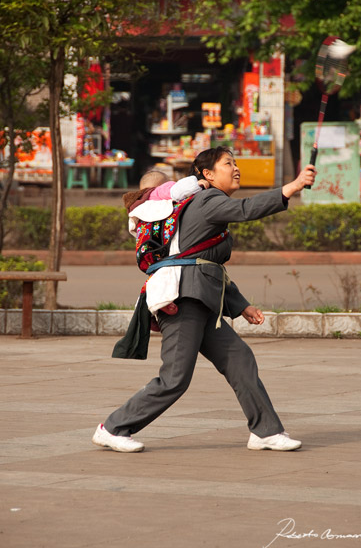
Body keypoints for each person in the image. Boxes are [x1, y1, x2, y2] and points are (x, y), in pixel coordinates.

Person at [92, 146, 316, 453]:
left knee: (240, 360)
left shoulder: (201, 204)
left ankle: (265, 431)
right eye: (228, 163)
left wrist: (241, 306)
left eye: (235, 163)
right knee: (175, 379)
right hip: (184, 300)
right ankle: (114, 427)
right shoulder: (208, 199)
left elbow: (206, 266)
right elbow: (246, 210)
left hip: (200, 300)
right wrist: (291, 187)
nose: (235, 168)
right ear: (206, 175)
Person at [124, 171, 210, 317]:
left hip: (148, 249)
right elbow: (180, 190)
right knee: (171, 271)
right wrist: (198, 184)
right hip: (165, 244)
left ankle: (148, 302)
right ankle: (163, 301)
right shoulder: (159, 191)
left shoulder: (139, 204)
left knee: (157, 274)